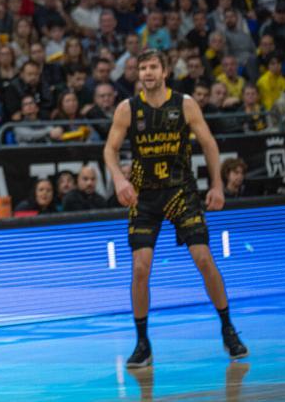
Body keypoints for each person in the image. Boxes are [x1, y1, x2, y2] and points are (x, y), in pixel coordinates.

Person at [104, 50, 248, 368]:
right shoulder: (128, 109)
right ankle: (142, 343)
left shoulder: (184, 104)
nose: (147, 72)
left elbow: (209, 144)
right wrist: (118, 179)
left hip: (181, 190)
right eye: (142, 68)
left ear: (165, 71)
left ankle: (228, 329)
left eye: (153, 66)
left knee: (204, 259)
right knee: (140, 268)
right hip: (144, 195)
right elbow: (110, 149)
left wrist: (217, 185)